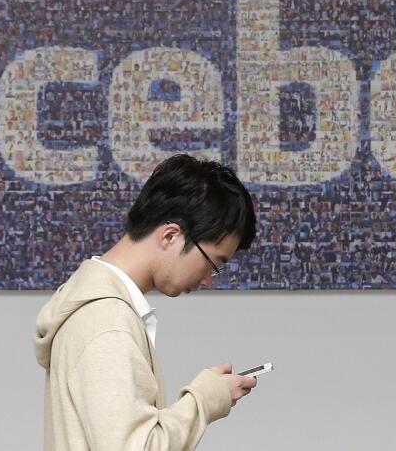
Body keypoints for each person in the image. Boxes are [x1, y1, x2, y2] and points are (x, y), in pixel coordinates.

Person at [34, 153, 259, 451]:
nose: (208, 280)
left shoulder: (96, 308)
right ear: (170, 236)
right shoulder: (107, 322)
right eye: (213, 263)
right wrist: (204, 399)